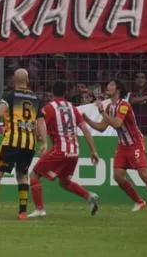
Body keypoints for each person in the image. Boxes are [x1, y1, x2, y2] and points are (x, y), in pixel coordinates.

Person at [28, 81, 100, 218]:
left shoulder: (49, 108)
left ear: (51, 94)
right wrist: (93, 150)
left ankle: (39, 209)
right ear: (65, 93)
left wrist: (42, 141)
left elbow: (40, 124)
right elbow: (85, 128)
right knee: (64, 182)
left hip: (60, 150)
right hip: (74, 151)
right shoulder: (72, 107)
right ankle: (89, 196)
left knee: (34, 175)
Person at [84, 79, 147, 212]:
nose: (108, 87)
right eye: (108, 84)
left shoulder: (124, 105)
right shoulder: (110, 107)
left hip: (135, 143)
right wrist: (86, 120)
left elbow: (117, 124)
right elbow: (102, 127)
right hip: (122, 145)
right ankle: (140, 201)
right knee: (118, 176)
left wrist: (101, 111)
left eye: (111, 85)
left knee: (144, 175)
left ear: (118, 90)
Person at [0, 68, 41, 220]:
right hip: (29, 143)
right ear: (27, 81)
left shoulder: (9, 96)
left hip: (11, 140)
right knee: (22, 176)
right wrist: (43, 140)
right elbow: (41, 121)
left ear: (14, 81)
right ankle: (22, 212)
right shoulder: (36, 98)